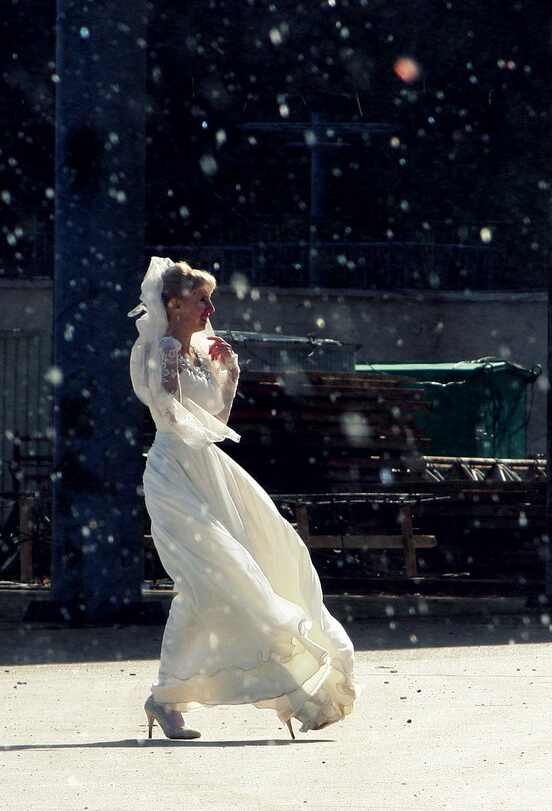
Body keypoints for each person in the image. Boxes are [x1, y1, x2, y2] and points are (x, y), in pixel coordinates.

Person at [128, 256, 357, 740]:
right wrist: (175, 357)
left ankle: (166, 697)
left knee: (255, 563)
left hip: (212, 468)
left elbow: (218, 420)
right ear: (173, 304)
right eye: (201, 299)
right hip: (174, 471)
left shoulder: (201, 352)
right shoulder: (162, 346)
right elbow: (169, 411)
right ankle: (277, 684)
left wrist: (228, 374)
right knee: (223, 573)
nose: (211, 306)